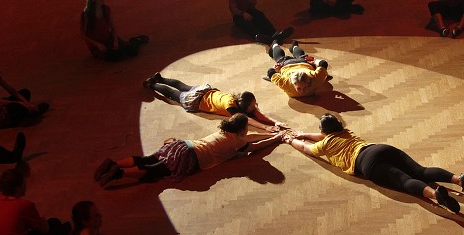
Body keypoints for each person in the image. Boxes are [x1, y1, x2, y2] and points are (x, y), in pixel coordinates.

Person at [283, 114, 464, 213]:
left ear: (323, 132)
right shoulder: (346, 132)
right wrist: (304, 133)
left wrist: (291, 139)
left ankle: (435, 194)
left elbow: (306, 148)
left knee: (404, 181)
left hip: (366, 163)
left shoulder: (324, 145)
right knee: (421, 171)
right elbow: (325, 135)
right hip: (379, 148)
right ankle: (459, 180)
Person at [94, 113, 284, 187]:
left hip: (183, 145)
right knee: (156, 171)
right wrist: (276, 139)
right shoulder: (237, 142)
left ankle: (115, 163)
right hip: (191, 157)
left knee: (149, 159)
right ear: (242, 129)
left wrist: (269, 134)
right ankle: (119, 173)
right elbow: (255, 147)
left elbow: (250, 139)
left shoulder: (225, 131)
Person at [142, 73, 288, 132]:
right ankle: (153, 84)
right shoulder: (230, 106)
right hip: (197, 100)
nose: (255, 107)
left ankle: (160, 78)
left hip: (204, 91)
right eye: (253, 105)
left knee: (182, 86)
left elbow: (256, 113)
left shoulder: (237, 100)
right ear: (244, 106)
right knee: (173, 94)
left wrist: (275, 122)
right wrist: (265, 127)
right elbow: (248, 119)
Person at [81, 0, 148, 61]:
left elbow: (113, 27)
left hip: (109, 39)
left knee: (132, 51)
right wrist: (98, 44)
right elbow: (83, 35)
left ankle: (135, 41)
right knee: (116, 56)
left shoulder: (106, 10)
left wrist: (115, 40)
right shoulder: (86, 14)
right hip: (97, 47)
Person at [264, 41, 330, 98]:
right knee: (296, 56)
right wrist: (314, 61)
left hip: (291, 64)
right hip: (298, 63)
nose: (302, 91)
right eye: (299, 88)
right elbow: (323, 63)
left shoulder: (286, 84)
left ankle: (275, 45)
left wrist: (276, 69)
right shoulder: (316, 78)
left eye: (305, 87)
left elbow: (270, 72)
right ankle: (293, 46)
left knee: (280, 58)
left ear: (308, 82)